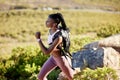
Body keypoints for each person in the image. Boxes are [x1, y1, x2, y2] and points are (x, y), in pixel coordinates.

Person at [35, 13, 74, 80]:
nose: (46, 22)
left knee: (72, 78)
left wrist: (38, 39)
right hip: (53, 58)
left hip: (61, 59)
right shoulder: (51, 30)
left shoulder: (59, 37)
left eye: (48, 21)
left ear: (54, 24)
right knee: (40, 77)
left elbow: (46, 52)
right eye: (47, 20)